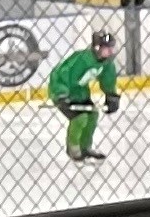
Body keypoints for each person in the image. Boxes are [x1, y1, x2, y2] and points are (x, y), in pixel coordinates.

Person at [47, 27, 121, 161]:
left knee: (93, 114)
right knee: (80, 118)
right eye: (107, 48)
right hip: (62, 89)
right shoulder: (82, 59)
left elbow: (108, 79)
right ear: (98, 47)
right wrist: (61, 94)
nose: (111, 51)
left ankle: (85, 147)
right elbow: (62, 74)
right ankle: (73, 148)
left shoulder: (106, 63)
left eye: (112, 47)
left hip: (80, 92)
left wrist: (111, 96)